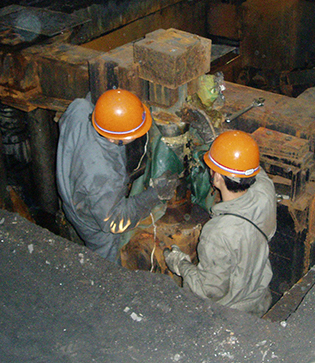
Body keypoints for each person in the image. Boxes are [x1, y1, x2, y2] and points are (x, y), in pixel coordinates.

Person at [56, 89, 178, 263]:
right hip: (91, 222)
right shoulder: (103, 174)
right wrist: (154, 195)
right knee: (106, 265)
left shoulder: (80, 108)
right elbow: (115, 220)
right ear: (115, 139)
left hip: (68, 185)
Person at [164, 130, 276, 316]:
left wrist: (180, 264)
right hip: (259, 297)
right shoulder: (265, 191)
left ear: (217, 178)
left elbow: (209, 290)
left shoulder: (218, 233)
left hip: (231, 313)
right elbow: (250, 166)